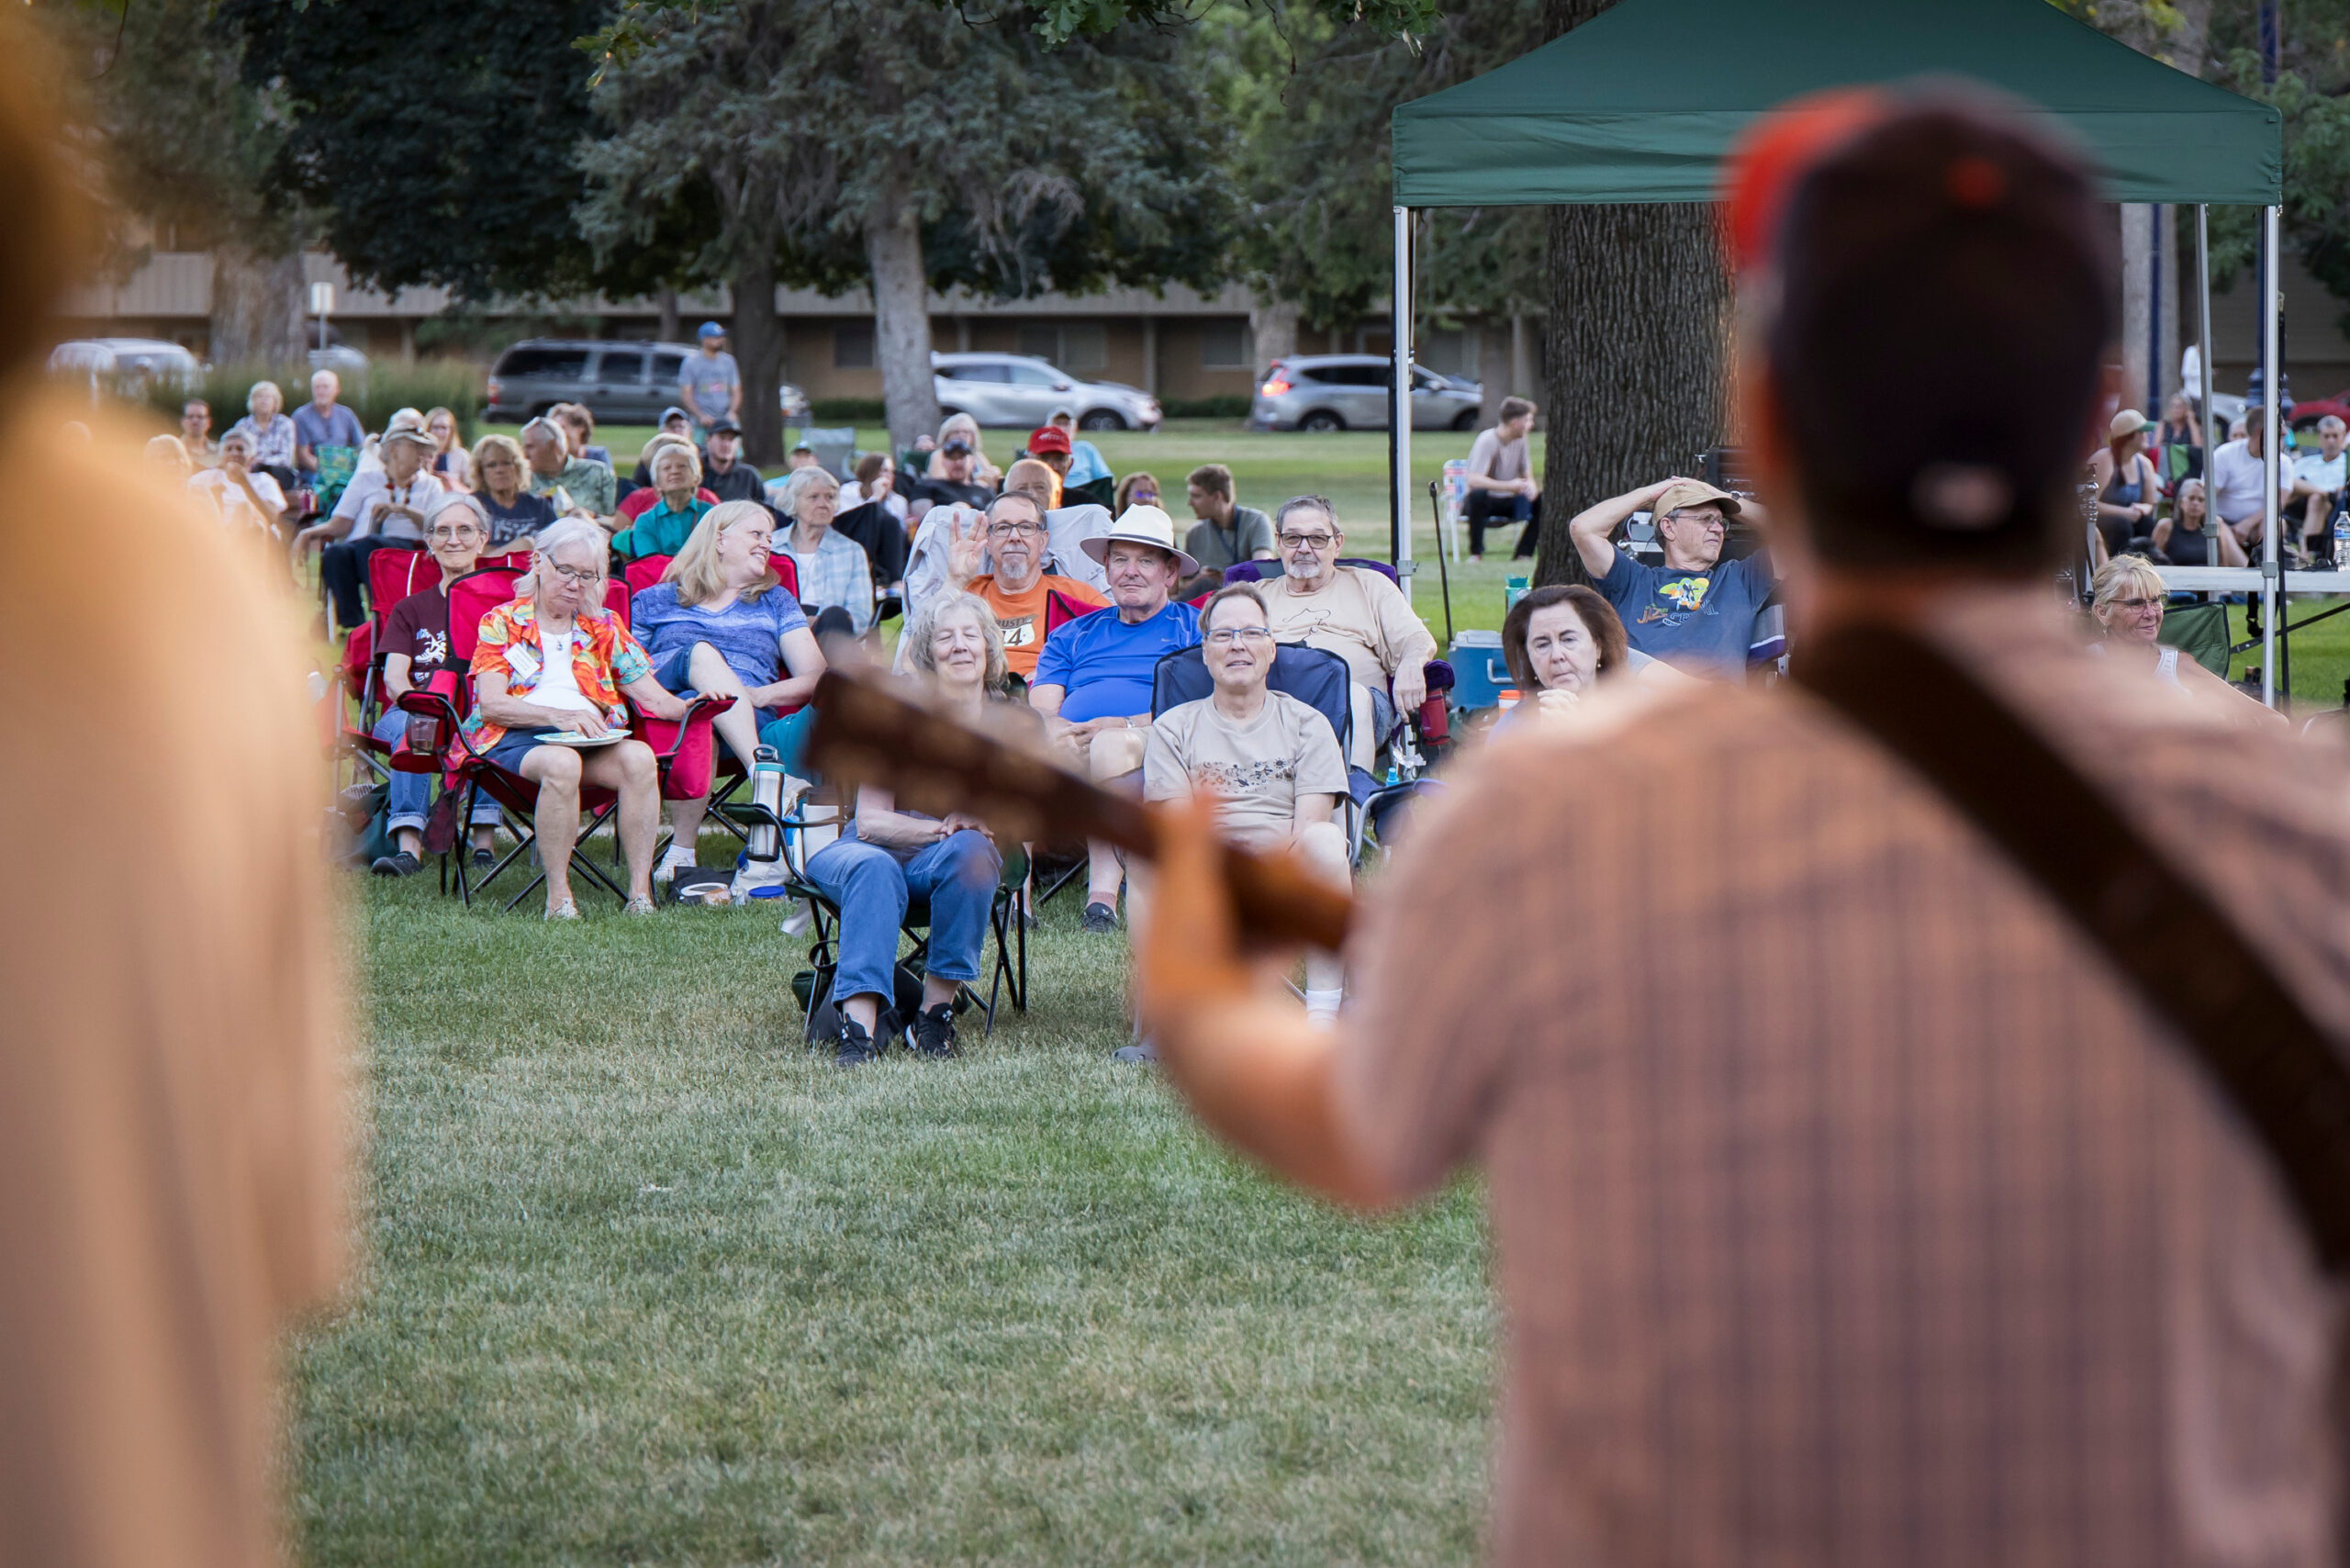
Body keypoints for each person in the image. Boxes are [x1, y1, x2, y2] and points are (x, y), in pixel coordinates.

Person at [1136, 90, 2350, 1567]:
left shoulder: (1555, 805)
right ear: (2100, 426)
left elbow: (1348, 1125)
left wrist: (1195, 957)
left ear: (1764, 420)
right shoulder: (2306, 828)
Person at [802, 591, 1009, 1065]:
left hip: (945, 863)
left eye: (970, 635)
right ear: (925, 653)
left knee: (973, 851)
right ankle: (859, 1030)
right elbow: (872, 823)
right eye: (944, 637)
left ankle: (933, 1019)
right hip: (863, 851)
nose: (959, 646)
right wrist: (944, 828)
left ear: (989, 647)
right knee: (877, 867)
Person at [1139, 583, 1350, 1044]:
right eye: (1223, 635)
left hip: (1284, 868)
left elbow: (1311, 826)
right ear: (1205, 652)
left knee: (1328, 841)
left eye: (1251, 633)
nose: (1237, 644)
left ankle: (1322, 1015)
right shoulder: (1173, 729)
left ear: (1271, 649)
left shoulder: (1308, 725)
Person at [463, 517, 692, 917]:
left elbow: (652, 698)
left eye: (588, 575)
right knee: (562, 761)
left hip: (592, 739)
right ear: (537, 562)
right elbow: (492, 705)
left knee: (640, 758)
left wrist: (695, 704)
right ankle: (559, 897)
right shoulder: (502, 622)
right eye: (566, 570)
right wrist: (559, 715)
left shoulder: (604, 626)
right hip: (518, 736)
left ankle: (641, 894)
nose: (576, 584)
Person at [629, 501, 826, 888]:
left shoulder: (775, 601)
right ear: (719, 539)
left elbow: (817, 675)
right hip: (671, 705)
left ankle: (682, 852)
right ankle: (765, 777)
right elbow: (626, 665)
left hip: (745, 716)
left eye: (770, 538)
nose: (766, 544)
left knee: (712, 711)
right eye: (756, 534)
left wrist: (757, 695)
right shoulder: (657, 599)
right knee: (702, 659)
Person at [1029, 504, 1202, 931]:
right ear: (1105, 568)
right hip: (1069, 748)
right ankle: (1017, 902)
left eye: (1145, 560)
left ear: (1170, 572)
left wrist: (1121, 725)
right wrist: (1061, 734)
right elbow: (1043, 708)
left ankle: (1101, 900)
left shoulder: (1193, 629)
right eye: (1120, 559)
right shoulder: (1073, 633)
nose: (1131, 571)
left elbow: (1198, 708)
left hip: (1157, 743)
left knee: (1108, 746)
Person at [366, 494, 502, 876]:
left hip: (478, 706)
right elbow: (394, 676)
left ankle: (483, 846)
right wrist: (418, 704)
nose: (453, 539)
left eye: (464, 530)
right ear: (429, 540)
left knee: (483, 722)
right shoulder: (410, 608)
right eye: (442, 531)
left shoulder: (503, 608)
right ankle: (409, 848)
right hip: (416, 707)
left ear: (483, 537)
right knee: (417, 727)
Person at [1251, 495, 1437, 770]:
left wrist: (1411, 662)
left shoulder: (1370, 585)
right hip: (1273, 709)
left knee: (1352, 695)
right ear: (1278, 542)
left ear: (1337, 544)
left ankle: (1350, 808)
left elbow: (1417, 638)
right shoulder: (1255, 596)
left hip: (1358, 708)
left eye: (1317, 539)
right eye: (1292, 538)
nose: (1303, 548)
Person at [1571, 475, 1776, 678]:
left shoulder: (1739, 580)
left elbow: (1799, 532)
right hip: (1644, 705)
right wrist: (1648, 495)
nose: (1718, 529)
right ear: (1668, 528)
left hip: (1715, 706)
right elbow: (1583, 529)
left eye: (1721, 522)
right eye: (1706, 519)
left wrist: (1722, 495)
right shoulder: (1631, 581)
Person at [2087, 553, 2281, 725]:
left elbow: (2274, 720)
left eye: (2155, 601)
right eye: (2135, 604)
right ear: (2103, 612)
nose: (2150, 613)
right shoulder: (2082, 664)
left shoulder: (2178, 667)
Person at [942, 490, 1108, 681]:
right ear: (988, 542)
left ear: (1043, 540)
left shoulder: (1078, 598)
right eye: (1002, 528)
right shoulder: (963, 595)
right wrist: (955, 579)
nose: (1014, 536)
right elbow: (912, 663)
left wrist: (1054, 676)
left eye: (1026, 527)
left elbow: (1117, 650)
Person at [297, 421, 443, 634]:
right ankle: (357, 625)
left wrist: (403, 510)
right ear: (393, 449)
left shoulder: (431, 485)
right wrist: (307, 533)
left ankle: (384, 618)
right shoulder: (365, 479)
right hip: (363, 547)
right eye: (414, 447)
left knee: (371, 546)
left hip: (410, 550)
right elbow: (340, 524)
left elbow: (437, 526)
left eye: (424, 449)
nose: (422, 453)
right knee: (336, 553)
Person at [1493, 582, 1683, 733]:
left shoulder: (1644, 714)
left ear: (1598, 647)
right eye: (1542, 644)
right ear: (1528, 658)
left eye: (1568, 639)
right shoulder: (1513, 727)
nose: (1557, 655)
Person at [775, 464, 874, 637]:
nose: (824, 504)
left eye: (830, 497)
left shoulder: (851, 551)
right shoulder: (771, 546)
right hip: (781, 634)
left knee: (835, 615)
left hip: (832, 635)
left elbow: (860, 617)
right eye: (814, 497)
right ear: (794, 501)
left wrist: (819, 624)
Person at [1179, 462, 1275, 598]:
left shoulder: (1256, 521)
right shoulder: (1195, 534)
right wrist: (1200, 578)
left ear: (1217, 496)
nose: (1189, 503)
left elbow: (1263, 571)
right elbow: (1184, 588)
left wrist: (1226, 578)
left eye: (1196, 496)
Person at [1462, 395, 1540, 561]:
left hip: (1509, 502)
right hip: (1484, 502)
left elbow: (1527, 473)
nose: (1531, 426)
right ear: (1515, 423)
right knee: (1478, 495)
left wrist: (1531, 487)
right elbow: (1474, 480)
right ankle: (1476, 553)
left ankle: (1524, 554)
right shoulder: (1487, 440)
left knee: (1542, 500)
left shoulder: (1521, 440)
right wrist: (1509, 486)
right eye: (1527, 421)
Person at [2208, 404, 2292, 554]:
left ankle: (2267, 564)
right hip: (2223, 521)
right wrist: (2227, 527)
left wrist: (2247, 524)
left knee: (2277, 523)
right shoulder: (2224, 455)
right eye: (2280, 430)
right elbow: (2208, 499)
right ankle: (2250, 570)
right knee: (2219, 526)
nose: (2285, 433)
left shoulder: (2283, 462)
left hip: (2258, 522)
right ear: (2262, 432)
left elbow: (2279, 502)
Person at [186, 427, 287, 537]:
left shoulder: (264, 480)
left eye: (240, 449)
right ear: (221, 456)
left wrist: (244, 483)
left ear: (252, 456)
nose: (234, 453)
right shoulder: (205, 478)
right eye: (228, 449)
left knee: (244, 509)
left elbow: (272, 517)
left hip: (254, 535)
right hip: (214, 534)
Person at [465, 433, 559, 552]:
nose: (499, 470)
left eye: (506, 463)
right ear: (481, 472)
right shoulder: (472, 506)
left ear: (517, 467)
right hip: (488, 568)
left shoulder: (540, 506)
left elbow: (558, 546)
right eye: (491, 465)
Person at [2090, 408, 2161, 557]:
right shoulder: (2105, 460)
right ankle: (2114, 569)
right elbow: (2089, 504)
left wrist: (2141, 508)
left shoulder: (2144, 463)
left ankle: (2142, 568)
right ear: (2128, 436)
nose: (2148, 435)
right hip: (2103, 522)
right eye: (2143, 432)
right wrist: (2126, 513)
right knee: (2121, 525)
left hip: (2130, 519)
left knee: (2147, 523)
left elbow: (2150, 504)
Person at [292, 368, 364, 511]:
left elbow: (361, 446)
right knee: (323, 486)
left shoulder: (346, 414)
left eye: (325, 387)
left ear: (336, 390)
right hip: (314, 472)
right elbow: (303, 455)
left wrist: (349, 468)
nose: (321, 391)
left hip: (344, 468)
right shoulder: (301, 416)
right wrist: (328, 472)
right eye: (317, 387)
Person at [520, 415, 607, 520]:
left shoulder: (593, 473)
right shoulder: (521, 479)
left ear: (553, 446)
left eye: (530, 447)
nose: (525, 455)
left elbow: (609, 523)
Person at [618, 434, 720, 525]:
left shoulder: (706, 499)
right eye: (667, 467)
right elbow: (615, 538)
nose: (675, 471)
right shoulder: (638, 500)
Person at [2148, 476, 2246, 566]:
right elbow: (2154, 561)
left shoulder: (2213, 526)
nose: (2195, 503)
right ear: (2181, 502)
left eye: (2200, 500)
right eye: (2191, 498)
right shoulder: (2166, 526)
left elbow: (2222, 562)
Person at [2291, 412, 2347, 561]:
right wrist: (2324, 492)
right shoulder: (2305, 462)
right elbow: (2289, 484)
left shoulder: (2346, 465)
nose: (2331, 441)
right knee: (2314, 494)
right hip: (2302, 505)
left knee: (2317, 499)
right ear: (2319, 438)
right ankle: (2322, 493)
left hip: (2336, 506)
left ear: (2343, 438)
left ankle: (2305, 553)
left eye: (2335, 436)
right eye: (2326, 436)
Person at [226, 377, 298, 487]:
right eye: (259, 397)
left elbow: (286, 458)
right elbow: (237, 454)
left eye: (268, 397)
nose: (263, 401)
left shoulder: (285, 423)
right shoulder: (242, 425)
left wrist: (262, 461)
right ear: (252, 401)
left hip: (278, 472)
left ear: (275, 402)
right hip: (251, 470)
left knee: (270, 474)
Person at [1045, 408, 1115, 507]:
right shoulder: (1039, 452)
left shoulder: (1085, 448)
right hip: (1050, 499)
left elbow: (1106, 480)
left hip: (1084, 500)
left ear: (1075, 429)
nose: (1062, 429)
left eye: (1066, 424)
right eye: (1058, 424)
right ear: (1047, 428)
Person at [679, 320, 742, 431]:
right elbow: (686, 395)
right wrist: (700, 415)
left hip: (726, 418)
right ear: (704, 339)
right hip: (702, 422)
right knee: (697, 448)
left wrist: (732, 412)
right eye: (716, 337)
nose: (721, 340)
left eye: (721, 337)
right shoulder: (691, 362)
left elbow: (736, 391)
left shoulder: (729, 361)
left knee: (733, 448)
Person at [911, 433, 995, 511]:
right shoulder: (927, 486)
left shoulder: (984, 492)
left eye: (961, 458)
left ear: (971, 462)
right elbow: (923, 518)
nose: (957, 463)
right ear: (944, 462)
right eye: (952, 458)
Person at [697, 417, 766, 506]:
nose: (726, 444)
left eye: (731, 439)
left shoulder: (749, 476)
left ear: (738, 443)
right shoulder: (696, 474)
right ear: (708, 440)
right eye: (722, 438)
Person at [927, 411, 1001, 485]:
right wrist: (977, 480)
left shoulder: (977, 455)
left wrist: (994, 473)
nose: (961, 436)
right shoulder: (940, 455)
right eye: (956, 432)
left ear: (973, 436)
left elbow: (990, 476)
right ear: (947, 436)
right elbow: (940, 484)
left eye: (966, 432)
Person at [632, 409, 699, 486]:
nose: (677, 430)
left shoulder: (701, 455)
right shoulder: (650, 456)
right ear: (661, 431)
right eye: (672, 427)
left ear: (689, 430)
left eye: (681, 426)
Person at [840, 451, 908, 522]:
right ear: (870, 472)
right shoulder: (847, 492)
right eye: (885, 471)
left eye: (892, 472)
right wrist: (876, 498)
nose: (890, 476)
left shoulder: (899, 502)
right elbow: (854, 526)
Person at [2155, 388, 2201, 487]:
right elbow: (2156, 448)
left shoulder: (2191, 426)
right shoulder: (2163, 425)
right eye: (2173, 406)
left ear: (2186, 409)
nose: (2176, 409)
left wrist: (2191, 421)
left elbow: (2198, 447)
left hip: (2187, 467)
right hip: (2166, 467)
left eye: (2179, 406)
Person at [549, 401, 614, 470]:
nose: (557, 433)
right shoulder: (549, 459)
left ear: (581, 427)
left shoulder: (597, 456)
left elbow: (609, 479)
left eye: (563, 427)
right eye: (555, 428)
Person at [424, 405, 469, 491]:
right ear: (428, 429)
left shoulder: (461, 456)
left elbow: (471, 487)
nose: (440, 432)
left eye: (444, 428)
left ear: (451, 431)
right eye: (435, 427)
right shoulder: (420, 456)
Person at [179, 396, 217, 466]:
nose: (195, 421)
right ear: (182, 422)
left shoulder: (220, 453)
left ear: (209, 422)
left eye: (200, 417)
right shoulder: (172, 450)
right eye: (190, 417)